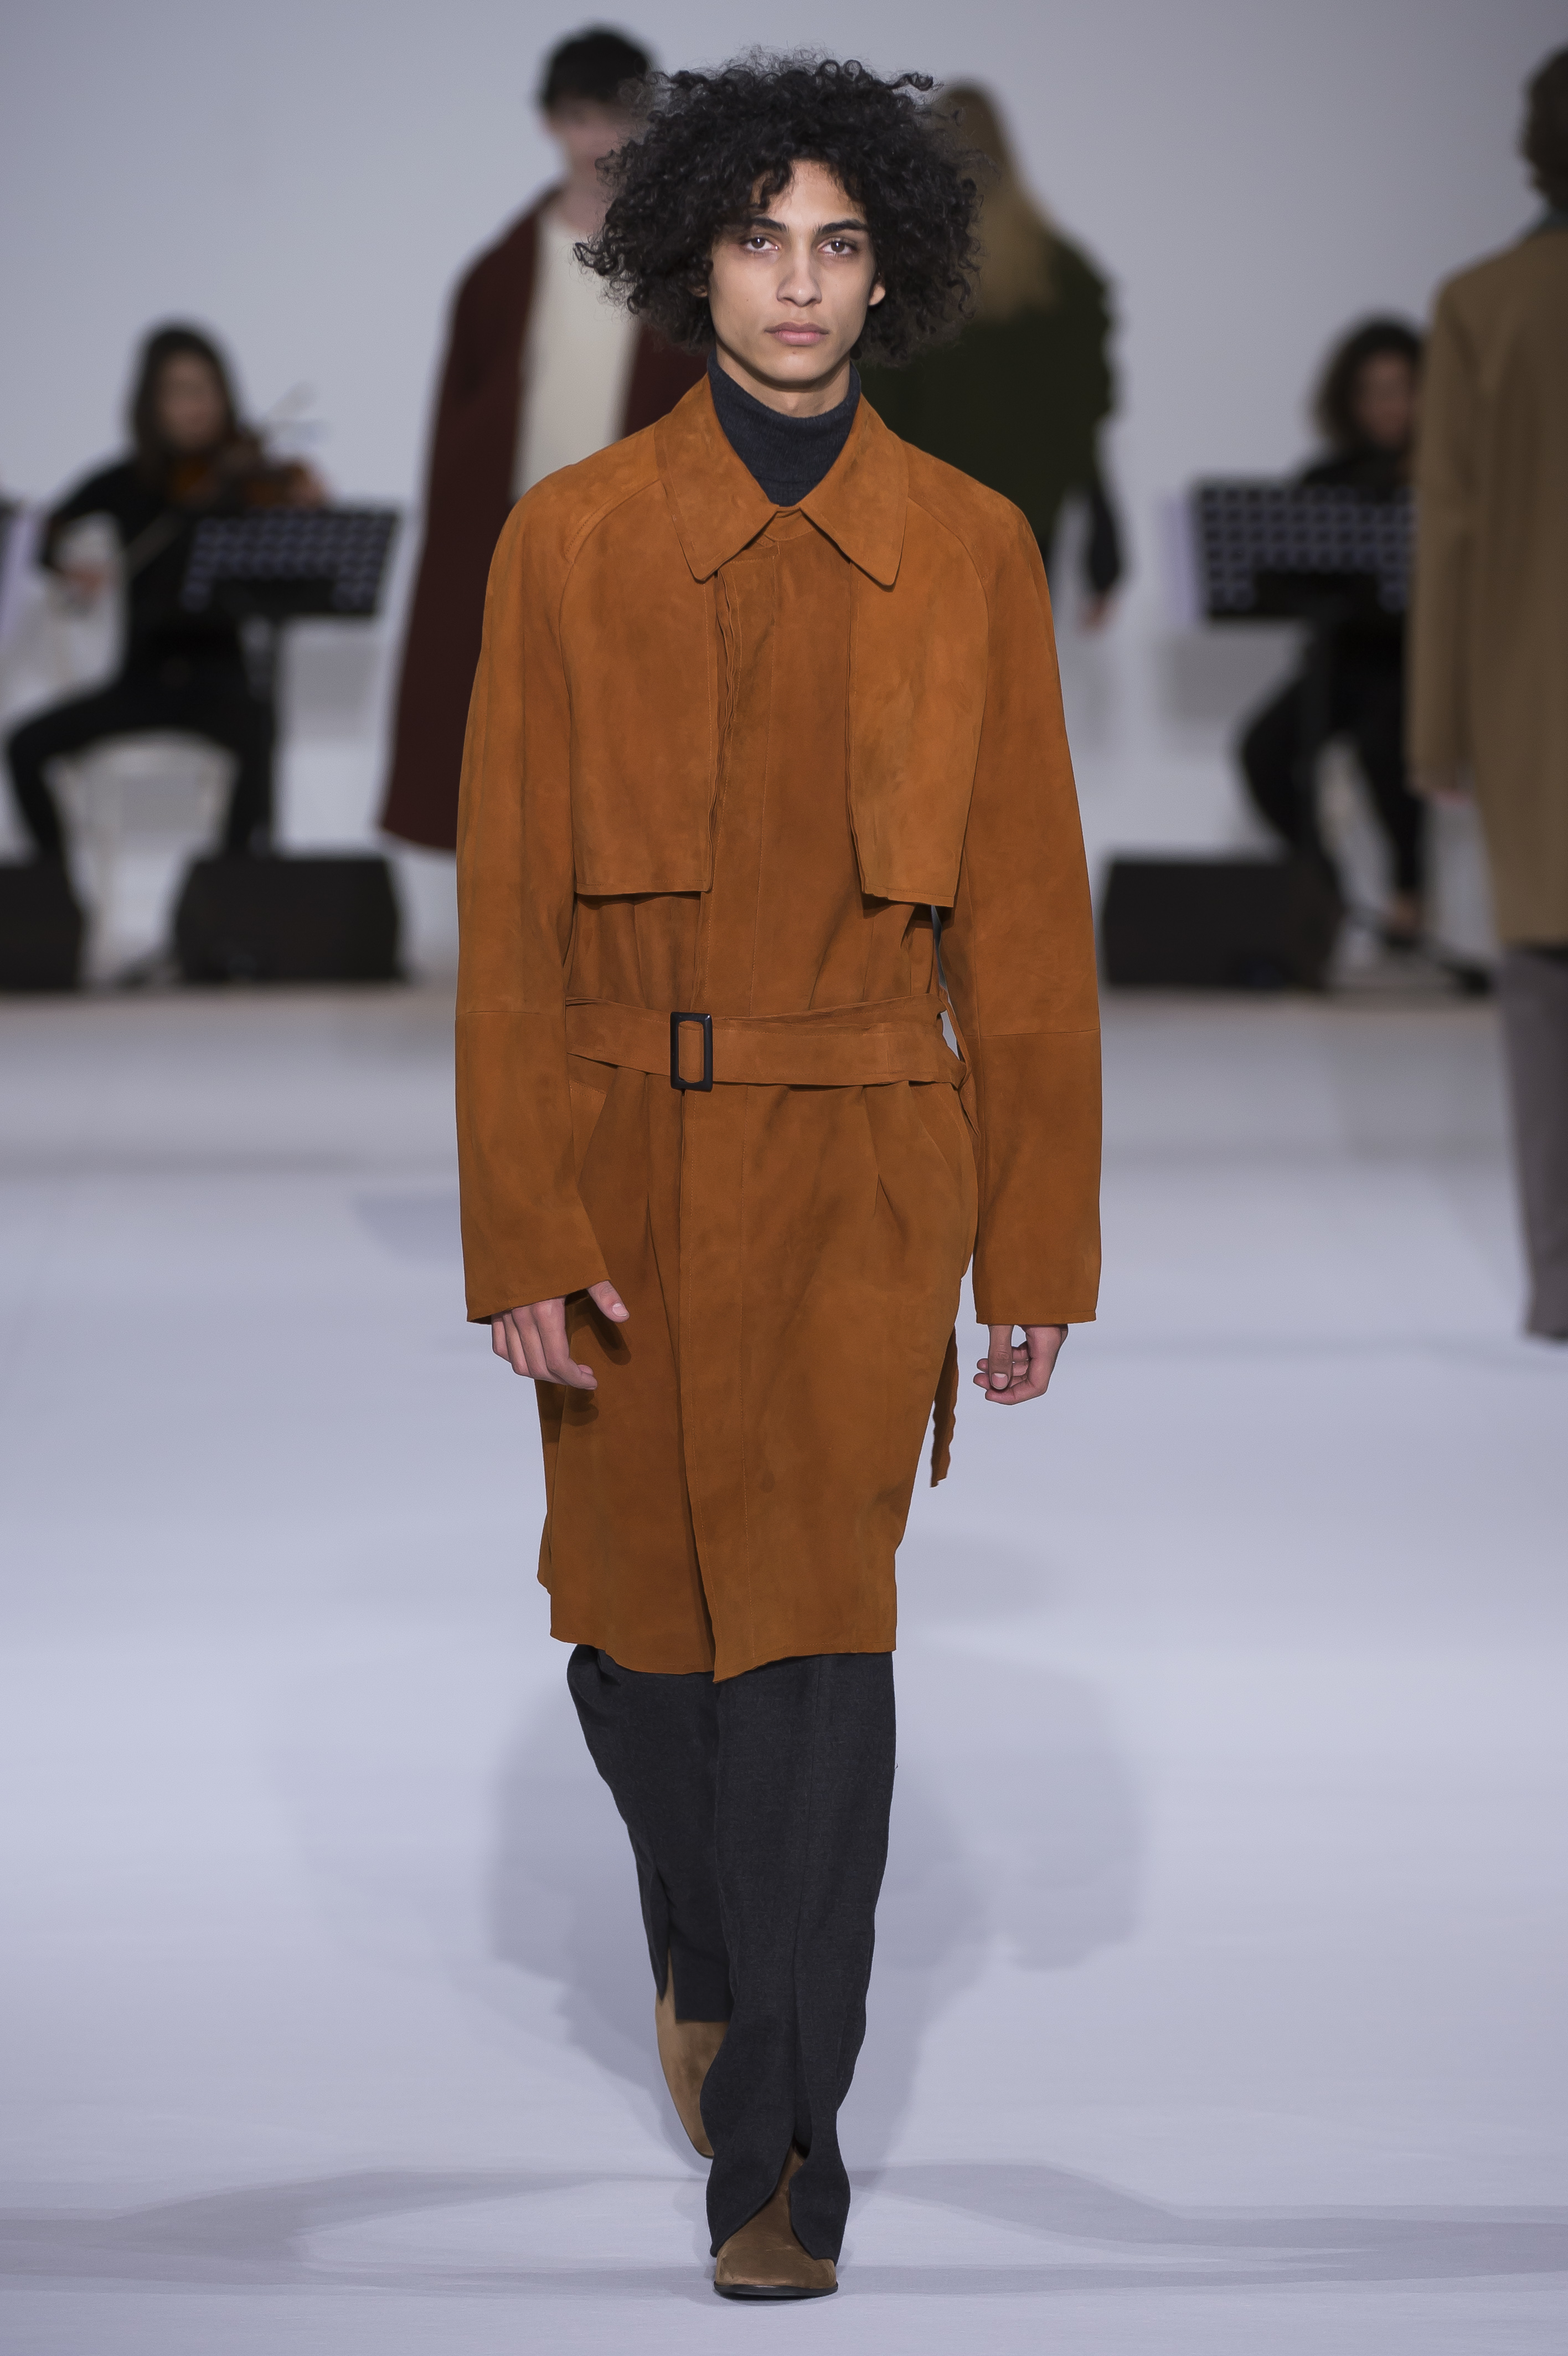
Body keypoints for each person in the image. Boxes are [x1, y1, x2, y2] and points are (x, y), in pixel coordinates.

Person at [456, 54, 1101, 2297]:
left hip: (862, 1166)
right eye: (759, 239)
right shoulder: (570, 542)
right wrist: (521, 1227)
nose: (800, 284)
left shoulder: (971, 551)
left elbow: (1027, 927)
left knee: (820, 1642)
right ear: (690, 258)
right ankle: (712, 1948)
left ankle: (783, 2152)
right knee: (637, 1649)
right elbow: (511, 918)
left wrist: (1037, 1239)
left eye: (839, 244)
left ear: (890, 269)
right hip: (626, 1160)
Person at [379, 26, 705, 851]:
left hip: (646, 539)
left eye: (618, 118)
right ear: (550, 122)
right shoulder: (497, 275)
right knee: (521, 750)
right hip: (524, 537)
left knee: (639, 753)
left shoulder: (685, 269)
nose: (599, 140)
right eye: (581, 117)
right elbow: (458, 440)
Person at [1411, 48, 1568, 1339]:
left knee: (1546, 986)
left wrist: (1437, 728)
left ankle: (1561, 1282)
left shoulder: (1486, 304)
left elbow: (1452, 527)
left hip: (1538, 689)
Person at [4, 324, 317, 870]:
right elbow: (43, 530)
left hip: (221, 683)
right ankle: (58, 897)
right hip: (141, 683)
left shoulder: (247, 480)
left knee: (260, 731)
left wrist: (306, 508)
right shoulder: (126, 481)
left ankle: (226, 893)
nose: (197, 405)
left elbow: (301, 566)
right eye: (180, 391)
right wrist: (69, 568)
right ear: (152, 403)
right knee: (23, 745)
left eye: (207, 389)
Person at [859, 84, 1123, 624]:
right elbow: (1083, 415)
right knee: (1012, 667)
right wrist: (1105, 534)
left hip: (923, 519)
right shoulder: (1061, 275)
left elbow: (877, 413)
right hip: (1028, 520)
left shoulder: (906, 272)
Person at [1236, 318, 1427, 947]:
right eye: (1371, 391)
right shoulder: (1328, 480)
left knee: (1386, 745)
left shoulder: (1449, 482)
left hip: (1416, 665)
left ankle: (1410, 898)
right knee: (1262, 750)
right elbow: (1276, 574)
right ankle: (1328, 882)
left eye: (1401, 389)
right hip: (1341, 661)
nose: (1387, 406)